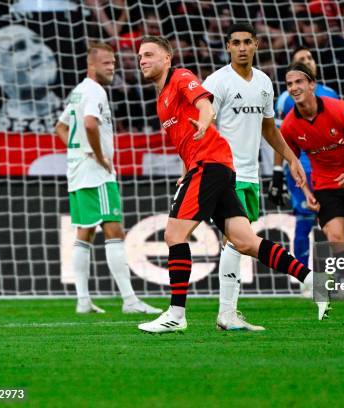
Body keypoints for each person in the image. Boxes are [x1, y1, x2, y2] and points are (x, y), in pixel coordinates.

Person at [136, 36, 316, 334]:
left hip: (210, 164)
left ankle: (176, 314)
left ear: (167, 58)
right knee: (244, 240)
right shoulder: (161, 100)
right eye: (140, 56)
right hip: (215, 166)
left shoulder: (181, 76)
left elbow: (203, 104)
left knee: (174, 233)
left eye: (150, 54)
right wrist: (186, 167)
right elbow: (185, 139)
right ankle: (312, 280)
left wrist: (206, 121)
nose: (143, 60)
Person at [202, 23, 306, 331]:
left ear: (256, 45)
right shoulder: (217, 81)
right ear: (228, 46)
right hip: (224, 172)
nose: (243, 47)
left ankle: (228, 313)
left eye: (248, 42)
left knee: (234, 243)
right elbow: (204, 126)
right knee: (236, 240)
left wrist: (291, 159)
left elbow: (270, 129)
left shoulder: (263, 82)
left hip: (250, 174)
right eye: (236, 42)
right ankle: (226, 313)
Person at [55, 43, 161, 315]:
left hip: (78, 172)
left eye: (113, 62)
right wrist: (99, 156)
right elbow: (90, 124)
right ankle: (129, 300)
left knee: (85, 232)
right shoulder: (95, 91)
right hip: (96, 173)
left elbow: (60, 127)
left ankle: (82, 301)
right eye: (106, 63)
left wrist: (76, 150)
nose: (112, 67)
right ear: (92, 66)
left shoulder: (79, 91)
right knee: (114, 230)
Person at [280, 63, 344, 319]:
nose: (294, 88)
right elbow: (293, 161)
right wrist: (306, 191)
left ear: (312, 85)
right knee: (337, 239)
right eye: (289, 84)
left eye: (299, 82)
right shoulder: (290, 125)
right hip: (326, 184)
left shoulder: (341, 111)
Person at [268, 47, 338, 271]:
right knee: (305, 221)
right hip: (302, 170)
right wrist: (277, 172)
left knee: (335, 225)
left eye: (309, 57)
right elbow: (279, 139)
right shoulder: (284, 100)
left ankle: (340, 276)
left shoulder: (331, 95)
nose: (307, 61)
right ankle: (306, 279)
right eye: (301, 60)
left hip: (329, 170)